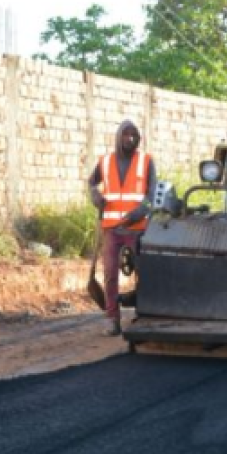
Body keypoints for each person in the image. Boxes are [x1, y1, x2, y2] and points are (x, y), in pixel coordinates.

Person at [87, 120, 157, 336]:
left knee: (144, 272)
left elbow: (152, 192)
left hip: (138, 228)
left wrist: (141, 210)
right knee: (109, 274)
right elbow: (91, 183)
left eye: (134, 135)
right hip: (112, 229)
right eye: (126, 135)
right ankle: (112, 319)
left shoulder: (146, 161)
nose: (130, 139)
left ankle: (144, 313)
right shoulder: (105, 162)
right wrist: (95, 195)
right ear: (118, 137)